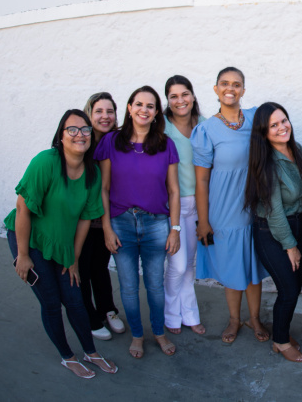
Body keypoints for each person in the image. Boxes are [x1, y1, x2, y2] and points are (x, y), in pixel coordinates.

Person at [6, 109, 118, 378]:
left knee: (75, 299)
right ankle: (68, 356)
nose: (80, 135)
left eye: (85, 130)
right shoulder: (46, 161)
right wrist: (22, 255)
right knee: (52, 302)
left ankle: (91, 352)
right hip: (30, 239)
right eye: (73, 130)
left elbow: (83, 220)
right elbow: (23, 209)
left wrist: (74, 260)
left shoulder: (91, 173)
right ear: (61, 135)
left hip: (62, 244)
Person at [97, 86, 181, 359]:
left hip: (157, 223)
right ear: (130, 108)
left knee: (155, 285)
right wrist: (107, 227)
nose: (144, 110)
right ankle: (136, 335)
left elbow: (174, 190)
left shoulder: (166, 144)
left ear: (157, 112)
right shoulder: (111, 141)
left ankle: (158, 332)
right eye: (139, 104)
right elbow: (104, 188)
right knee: (129, 286)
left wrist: (175, 229)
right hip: (121, 222)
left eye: (150, 106)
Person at [193, 67, 268, 344]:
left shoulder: (255, 118)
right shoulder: (206, 131)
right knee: (232, 266)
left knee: (253, 266)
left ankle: (255, 318)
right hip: (223, 211)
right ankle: (235, 319)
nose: (230, 88)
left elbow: (282, 131)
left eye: (236, 84)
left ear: (243, 91)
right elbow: (201, 180)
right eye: (224, 83)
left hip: (255, 208)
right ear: (215, 89)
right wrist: (203, 220)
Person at [245, 103, 302, 362]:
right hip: (273, 231)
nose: (282, 127)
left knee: (292, 286)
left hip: (300, 225)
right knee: (289, 289)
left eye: (284, 120)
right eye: (273, 125)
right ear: (263, 132)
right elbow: (273, 211)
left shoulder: (298, 151)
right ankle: (280, 342)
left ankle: (281, 331)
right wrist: (290, 245)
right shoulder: (267, 163)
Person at [79, 92, 125, 341]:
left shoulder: (117, 141)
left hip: (105, 218)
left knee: (100, 266)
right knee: (82, 268)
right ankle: (89, 315)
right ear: (89, 113)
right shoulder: (81, 142)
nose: (105, 116)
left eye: (110, 112)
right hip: (81, 219)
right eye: (99, 111)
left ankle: (108, 309)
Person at [163, 76, 206, 336]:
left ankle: (189, 314)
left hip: (198, 203)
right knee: (177, 265)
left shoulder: (203, 125)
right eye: (174, 96)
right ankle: (170, 314)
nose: (180, 100)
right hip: (172, 204)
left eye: (185, 94)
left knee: (188, 265)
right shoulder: (161, 127)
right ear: (167, 101)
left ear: (193, 96)